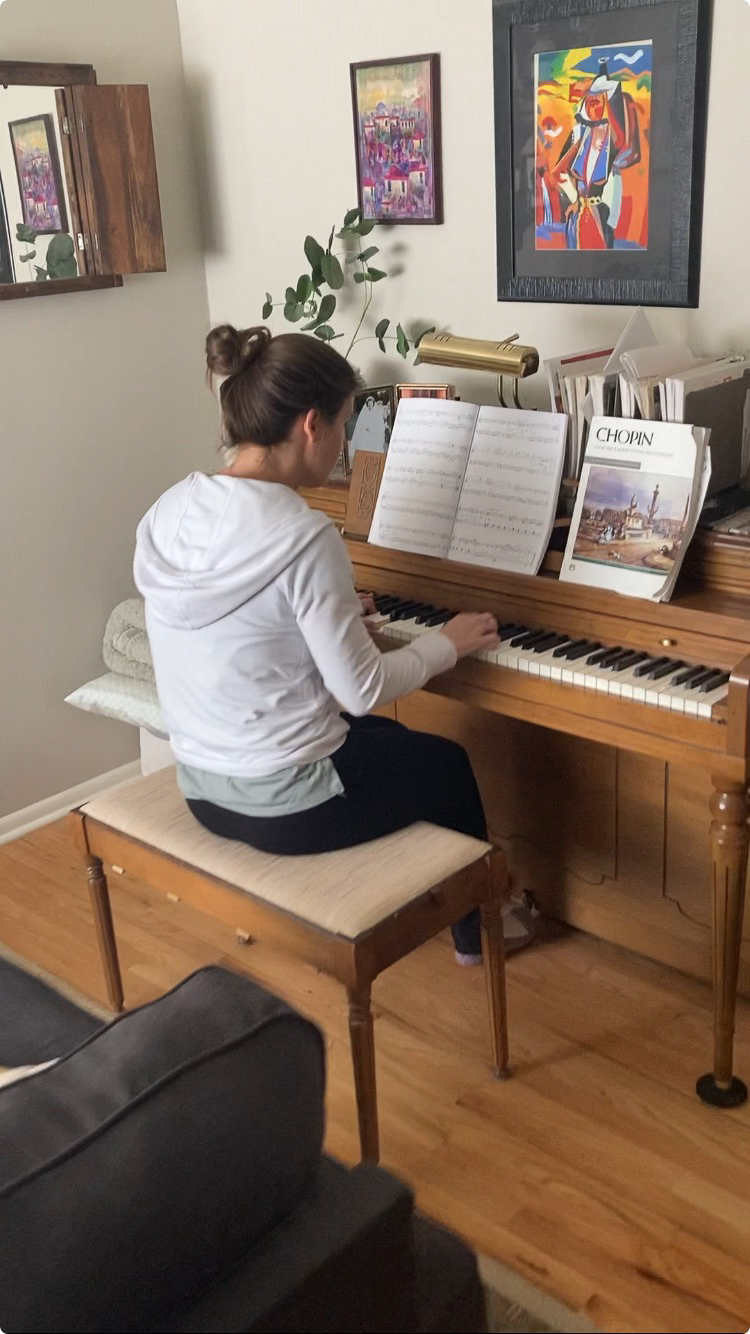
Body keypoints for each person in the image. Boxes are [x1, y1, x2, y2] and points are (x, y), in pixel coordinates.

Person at [134, 325, 500, 964]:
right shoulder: (304, 536)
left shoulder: (169, 511)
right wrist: (448, 642)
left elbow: (243, 630)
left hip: (203, 788)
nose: (343, 446)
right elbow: (361, 693)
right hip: (290, 806)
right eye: (344, 426)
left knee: (390, 748)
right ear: (310, 425)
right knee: (447, 766)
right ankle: (478, 937)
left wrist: (319, 618)